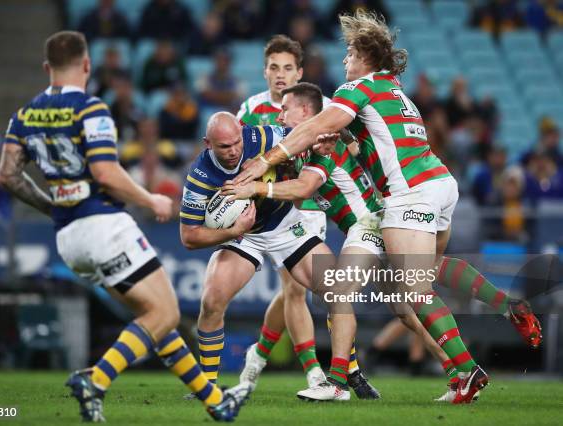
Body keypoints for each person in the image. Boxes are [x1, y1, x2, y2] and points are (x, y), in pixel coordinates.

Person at [233, 10, 493, 403]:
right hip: (435, 187)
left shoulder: (355, 92)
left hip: (388, 209)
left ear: (365, 56)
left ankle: (345, 381)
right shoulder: (395, 91)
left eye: (349, 54)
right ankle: (459, 371)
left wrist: (264, 167)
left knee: (397, 293)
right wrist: (334, 140)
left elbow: (309, 167)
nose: (344, 61)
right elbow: (354, 139)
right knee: (406, 301)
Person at [227, 82, 542, 402]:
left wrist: (256, 189)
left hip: (369, 222)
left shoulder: (322, 139)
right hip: (384, 215)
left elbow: (304, 188)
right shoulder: (315, 137)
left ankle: (335, 383)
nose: (279, 115)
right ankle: (467, 362)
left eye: (285, 109)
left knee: (340, 290)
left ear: (307, 111)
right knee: (410, 303)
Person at [0, 30, 250, 422]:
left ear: (48, 68)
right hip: (104, 225)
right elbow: (105, 171)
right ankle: (96, 379)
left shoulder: (24, 115)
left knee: (155, 317)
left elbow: (9, 176)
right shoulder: (91, 108)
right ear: (86, 64)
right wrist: (150, 199)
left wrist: (53, 208)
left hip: (69, 237)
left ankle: (215, 401)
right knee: (165, 314)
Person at [179, 111, 332, 393]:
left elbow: (303, 135)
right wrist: (233, 230)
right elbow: (189, 236)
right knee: (211, 301)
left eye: (236, 142)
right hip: (243, 236)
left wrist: (317, 145)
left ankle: (343, 376)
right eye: (224, 146)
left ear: (242, 132)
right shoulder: (200, 177)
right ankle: (207, 385)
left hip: (284, 225)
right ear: (207, 144)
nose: (234, 150)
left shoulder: (259, 137)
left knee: (335, 288)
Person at [235, 35, 342, 394]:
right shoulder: (250, 108)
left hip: (311, 205)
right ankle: (316, 371)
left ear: (299, 72)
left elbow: (343, 147)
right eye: (274, 68)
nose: (280, 75)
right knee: (294, 289)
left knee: (297, 291)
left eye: (287, 68)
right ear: (264, 71)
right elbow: (233, 156)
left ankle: (259, 354)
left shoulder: (322, 106)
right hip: (272, 210)